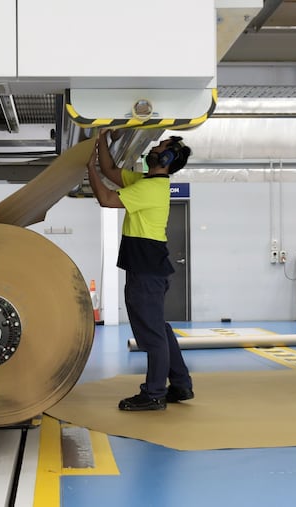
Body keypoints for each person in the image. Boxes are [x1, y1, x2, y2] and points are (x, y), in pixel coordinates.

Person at [86, 130, 194, 411]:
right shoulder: (147, 182)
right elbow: (111, 170)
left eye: (161, 146)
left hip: (145, 271)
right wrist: (100, 140)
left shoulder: (150, 188)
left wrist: (88, 169)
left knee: (152, 334)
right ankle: (181, 384)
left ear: (167, 157)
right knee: (160, 329)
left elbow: (107, 200)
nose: (155, 147)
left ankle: (155, 393)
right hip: (149, 267)